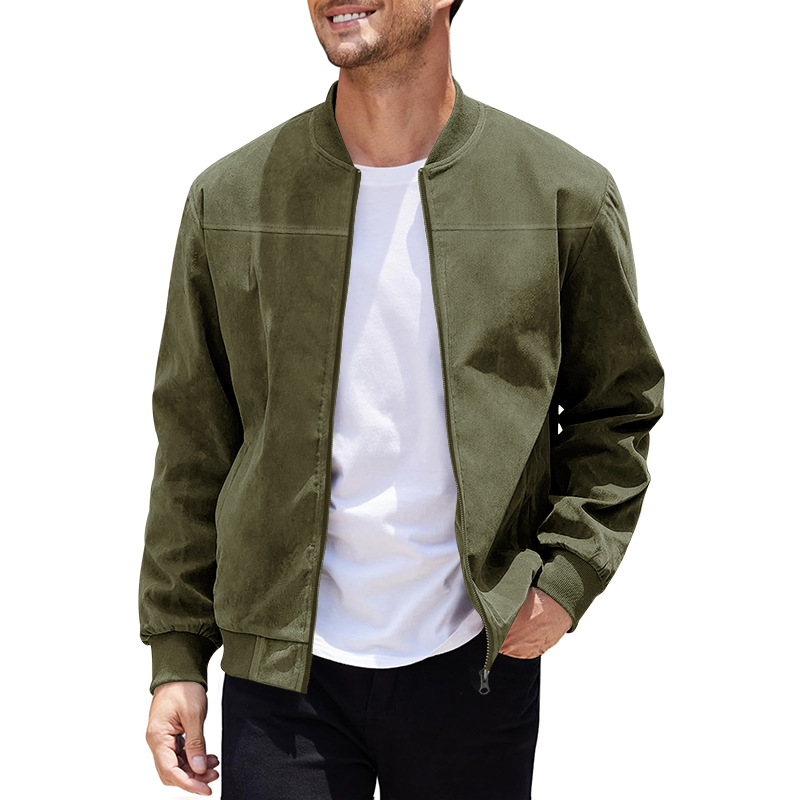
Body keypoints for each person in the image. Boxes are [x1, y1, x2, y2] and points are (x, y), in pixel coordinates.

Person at [139, 0, 665, 797]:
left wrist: (566, 578)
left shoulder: (562, 195)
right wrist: (177, 653)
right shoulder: (234, 201)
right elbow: (194, 440)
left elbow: (616, 409)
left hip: (473, 665)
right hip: (282, 677)